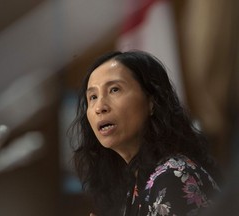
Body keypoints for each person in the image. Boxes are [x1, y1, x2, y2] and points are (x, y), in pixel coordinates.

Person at [69, 50, 221, 216]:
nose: (99, 107)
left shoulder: (173, 176)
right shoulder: (136, 182)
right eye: (93, 97)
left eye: (114, 90)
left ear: (152, 102)